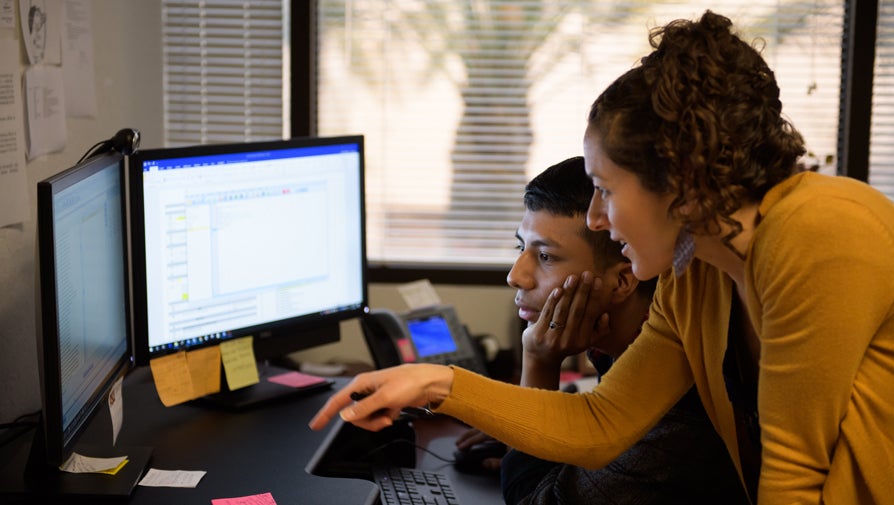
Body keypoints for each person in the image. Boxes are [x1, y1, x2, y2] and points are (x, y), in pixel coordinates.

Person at [310, 11, 894, 505]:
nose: (596, 217)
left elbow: (794, 477)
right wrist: (436, 380)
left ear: (678, 179)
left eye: (605, 189)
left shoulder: (817, 228)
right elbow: (600, 424)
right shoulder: (695, 274)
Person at [464, 156, 746, 503]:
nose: (515, 276)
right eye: (521, 247)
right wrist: (519, 424)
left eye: (546, 257)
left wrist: (539, 364)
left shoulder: (673, 415)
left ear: (623, 280)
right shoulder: (621, 352)